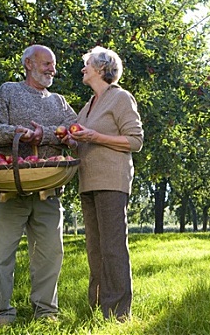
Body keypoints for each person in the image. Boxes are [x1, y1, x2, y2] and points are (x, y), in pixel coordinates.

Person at [0, 44, 77, 326]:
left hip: (49, 190)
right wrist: (18, 134)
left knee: (50, 254)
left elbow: (74, 131)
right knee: (2, 255)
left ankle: (46, 311)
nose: (52, 69)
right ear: (28, 64)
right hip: (10, 188)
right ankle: (0, 314)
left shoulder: (59, 101)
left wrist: (43, 134)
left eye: (53, 64)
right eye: (46, 63)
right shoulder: (9, 91)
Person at [62, 46, 143, 321]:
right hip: (89, 183)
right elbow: (86, 137)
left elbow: (135, 141)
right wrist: (73, 140)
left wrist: (94, 136)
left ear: (100, 68)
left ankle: (119, 313)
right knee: (95, 248)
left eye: (87, 64)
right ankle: (98, 307)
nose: (82, 68)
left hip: (112, 181)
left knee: (112, 247)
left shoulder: (120, 98)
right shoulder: (88, 105)